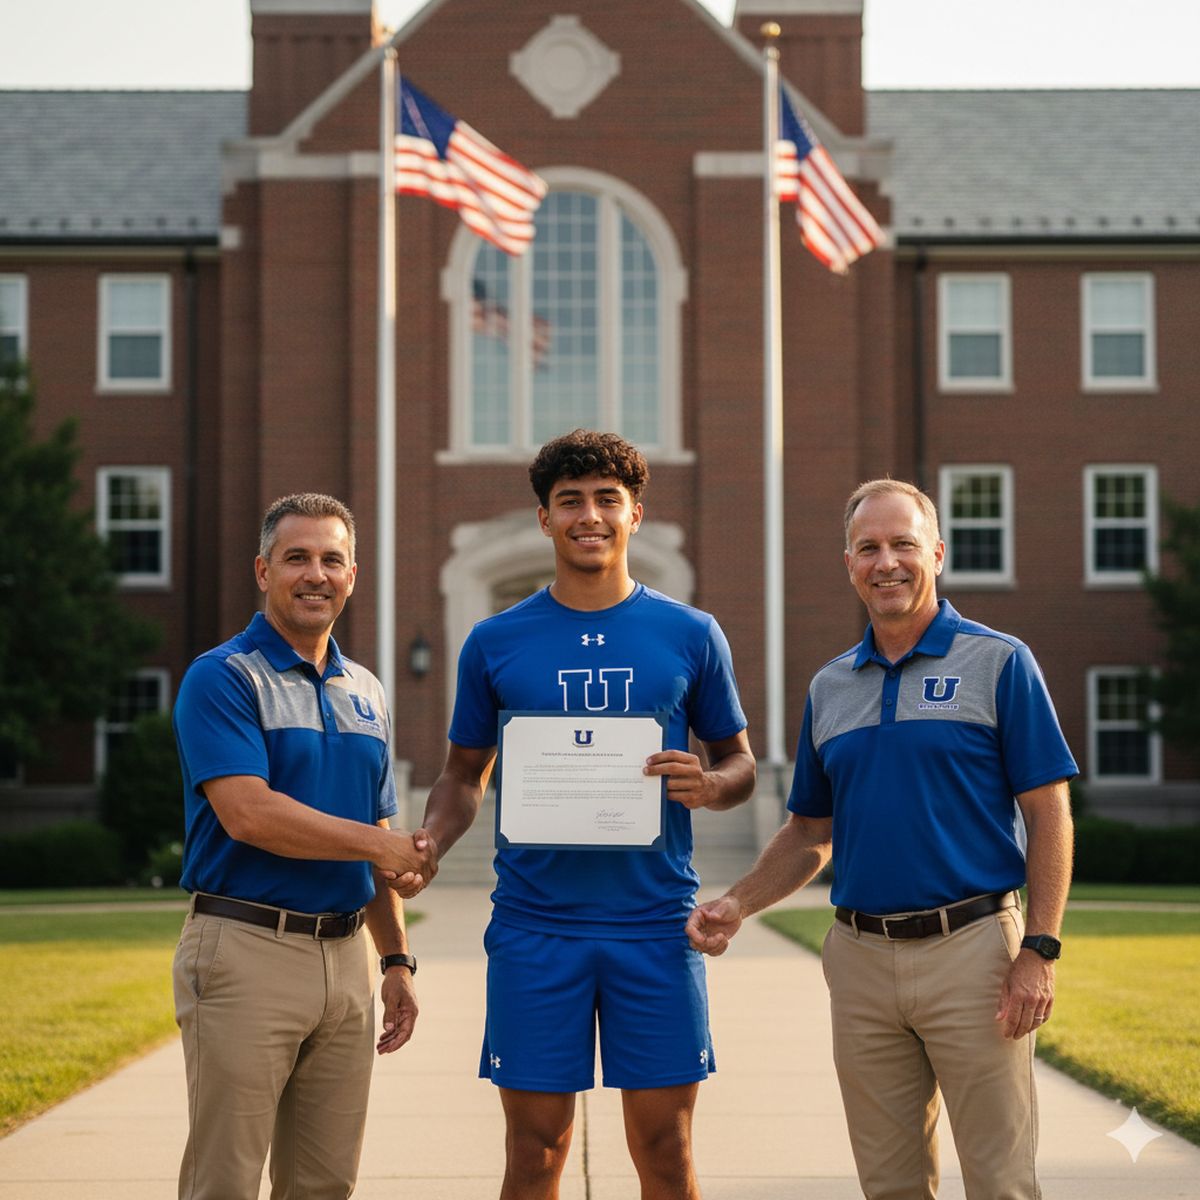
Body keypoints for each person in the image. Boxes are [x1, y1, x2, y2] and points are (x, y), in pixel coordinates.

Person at [687, 478, 1077, 1200]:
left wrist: (1039, 950)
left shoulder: (999, 662)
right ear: (849, 564)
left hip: (975, 952)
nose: (886, 562)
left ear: (937, 553)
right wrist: (737, 903)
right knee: (889, 1185)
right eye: (869, 548)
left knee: (999, 1181)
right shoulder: (831, 688)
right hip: (861, 962)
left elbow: (1048, 811)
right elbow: (810, 830)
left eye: (903, 544)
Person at [412, 430, 755, 1200]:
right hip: (537, 926)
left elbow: (739, 765)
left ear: (635, 514)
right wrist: (433, 836)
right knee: (535, 1151)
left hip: (655, 925)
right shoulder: (494, 641)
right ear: (544, 519)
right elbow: (464, 774)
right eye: (570, 501)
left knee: (665, 1149)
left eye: (608, 499)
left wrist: (710, 783)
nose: (589, 516)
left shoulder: (691, 634)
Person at [171, 492, 433, 1200]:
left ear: (351, 577)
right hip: (245, 948)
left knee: (324, 1185)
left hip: (346, 962)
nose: (315, 574)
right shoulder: (222, 677)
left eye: (331, 560)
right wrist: (388, 850)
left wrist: (397, 959)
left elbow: (375, 838)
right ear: (263, 571)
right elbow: (250, 815)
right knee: (224, 1181)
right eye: (297, 558)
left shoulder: (369, 692)